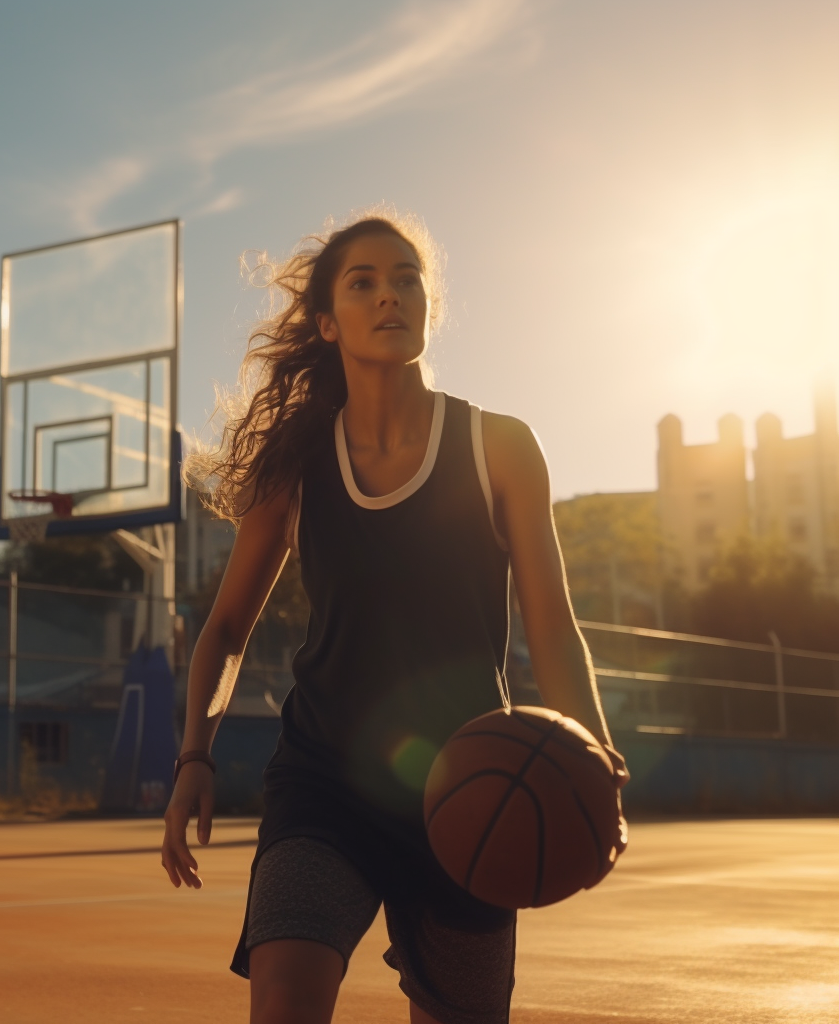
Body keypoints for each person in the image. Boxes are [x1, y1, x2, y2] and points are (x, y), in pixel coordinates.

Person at [161, 210, 628, 1024]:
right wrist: (193, 754)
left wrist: (595, 755)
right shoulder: (301, 466)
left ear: (428, 304)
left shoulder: (499, 447)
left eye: (407, 278)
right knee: (283, 1000)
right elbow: (228, 628)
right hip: (323, 779)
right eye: (364, 282)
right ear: (327, 322)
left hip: (468, 788)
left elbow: (553, 624)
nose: (390, 296)